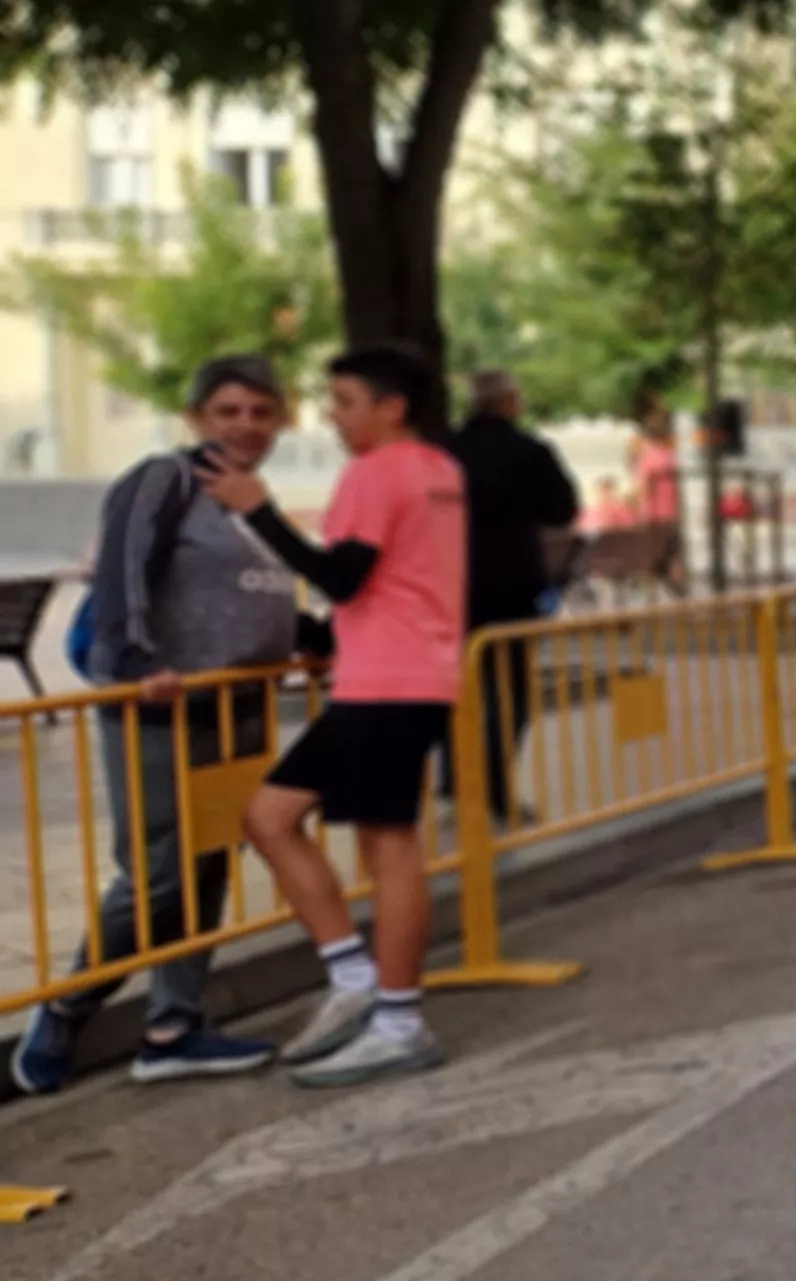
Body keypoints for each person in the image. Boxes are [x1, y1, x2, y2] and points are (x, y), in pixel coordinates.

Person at [8, 357, 311, 1094]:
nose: (246, 425)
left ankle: (174, 1025)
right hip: (162, 705)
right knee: (157, 874)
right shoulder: (163, 479)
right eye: (229, 411)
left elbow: (254, 592)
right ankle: (67, 1006)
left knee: (209, 860)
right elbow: (123, 571)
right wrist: (137, 661)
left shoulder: (250, 499)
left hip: (237, 702)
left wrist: (314, 637)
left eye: (261, 412)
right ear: (197, 417)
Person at [205, 345, 469, 1088]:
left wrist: (257, 510)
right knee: (270, 816)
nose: (332, 415)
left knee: (390, 849)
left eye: (346, 402)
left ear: (391, 407)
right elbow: (399, 580)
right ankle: (353, 977)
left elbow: (342, 575)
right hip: (395, 674)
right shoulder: (439, 471)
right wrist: (325, 636)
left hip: (389, 682)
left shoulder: (376, 472)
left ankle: (399, 1022)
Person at [443, 371, 578, 826]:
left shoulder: (444, 450)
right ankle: (496, 788)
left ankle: (453, 783)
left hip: (451, 586)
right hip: (515, 586)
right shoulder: (531, 451)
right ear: (509, 403)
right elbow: (563, 509)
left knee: (454, 688)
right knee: (511, 691)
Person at [629, 402, 685, 590]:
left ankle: (651, 588)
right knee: (672, 551)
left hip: (653, 513)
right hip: (672, 511)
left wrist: (630, 503)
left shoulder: (649, 458)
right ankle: (677, 584)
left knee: (651, 553)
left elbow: (644, 487)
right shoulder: (669, 456)